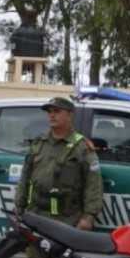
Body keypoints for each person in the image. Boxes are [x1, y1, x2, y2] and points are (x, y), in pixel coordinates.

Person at [14, 97, 104, 230]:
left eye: (57, 111)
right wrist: (19, 205)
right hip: (35, 215)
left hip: (66, 220)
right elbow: (25, 176)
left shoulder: (82, 147)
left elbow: (94, 184)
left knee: (60, 251)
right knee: (34, 251)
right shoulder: (39, 143)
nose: (51, 115)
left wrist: (88, 217)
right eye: (49, 111)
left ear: (70, 115)